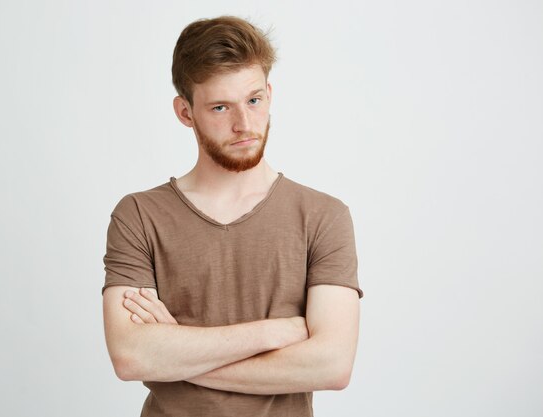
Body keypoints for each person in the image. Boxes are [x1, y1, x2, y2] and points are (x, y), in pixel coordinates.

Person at [102, 15, 363, 417]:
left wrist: (178, 350)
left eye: (254, 100)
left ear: (270, 94)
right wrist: (274, 332)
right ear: (185, 112)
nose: (244, 124)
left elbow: (331, 365)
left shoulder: (323, 216)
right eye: (221, 107)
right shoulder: (139, 215)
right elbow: (132, 357)